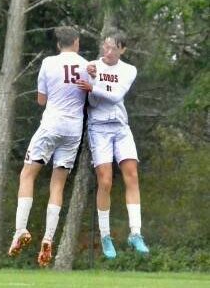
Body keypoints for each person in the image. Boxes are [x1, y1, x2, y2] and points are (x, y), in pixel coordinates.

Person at [8, 26, 89, 267]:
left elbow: (41, 100)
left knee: (28, 175)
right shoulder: (87, 66)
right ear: (75, 42)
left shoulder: (48, 63)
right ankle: (48, 238)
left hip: (51, 125)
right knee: (58, 183)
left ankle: (20, 230)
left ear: (58, 45)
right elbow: (90, 97)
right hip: (73, 130)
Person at [76, 31, 149, 259]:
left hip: (120, 127)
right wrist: (90, 79)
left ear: (122, 50)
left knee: (132, 176)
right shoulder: (91, 66)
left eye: (113, 49)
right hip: (99, 128)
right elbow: (88, 96)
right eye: (105, 47)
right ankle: (106, 236)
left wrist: (94, 87)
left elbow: (116, 96)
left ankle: (135, 233)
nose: (107, 52)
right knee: (105, 181)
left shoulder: (129, 70)